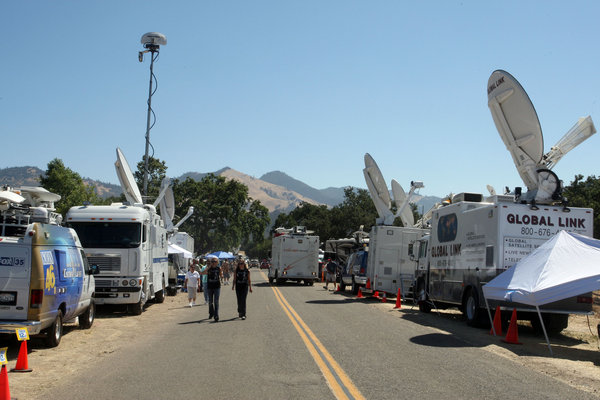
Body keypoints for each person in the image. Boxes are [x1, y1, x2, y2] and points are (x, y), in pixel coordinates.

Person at [202, 256, 223, 321]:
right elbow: (203, 273)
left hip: (217, 287)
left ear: (217, 263)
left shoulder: (218, 268)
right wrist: (208, 267)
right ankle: (211, 313)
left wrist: (221, 274)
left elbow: (221, 275)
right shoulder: (208, 268)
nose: (213, 263)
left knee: (216, 301)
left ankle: (216, 315)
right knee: (210, 301)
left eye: (215, 262)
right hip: (210, 287)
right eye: (212, 261)